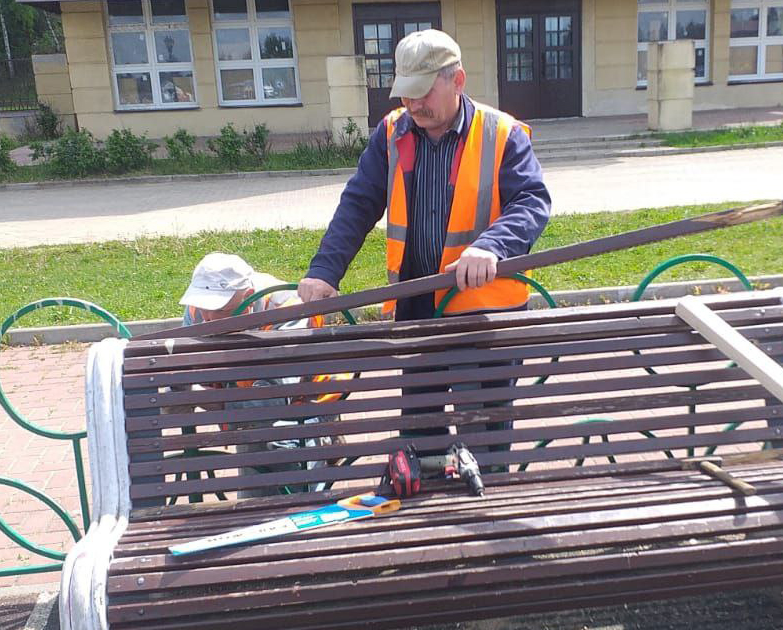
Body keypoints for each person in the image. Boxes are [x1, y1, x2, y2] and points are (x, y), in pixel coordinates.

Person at [297, 29, 551, 462]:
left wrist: (492, 246)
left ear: (458, 80)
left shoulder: (502, 134)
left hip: (485, 310)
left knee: (485, 442)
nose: (413, 105)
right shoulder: (392, 132)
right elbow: (359, 203)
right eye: (406, 93)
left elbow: (531, 201)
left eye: (423, 92)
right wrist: (325, 270)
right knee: (420, 433)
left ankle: (485, 499)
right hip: (417, 302)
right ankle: (430, 487)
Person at [177, 252, 342, 496]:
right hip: (246, 403)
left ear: (248, 296)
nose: (208, 317)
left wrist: (196, 395)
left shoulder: (287, 309)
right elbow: (187, 371)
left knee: (278, 452)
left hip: (303, 407)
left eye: (219, 308)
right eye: (204, 306)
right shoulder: (198, 310)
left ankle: (325, 441)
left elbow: (270, 403)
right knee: (255, 456)